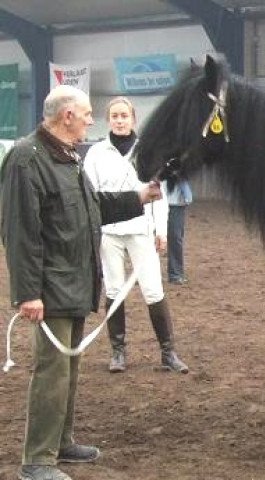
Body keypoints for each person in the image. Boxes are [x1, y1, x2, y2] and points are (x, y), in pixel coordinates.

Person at [0, 85, 163, 480]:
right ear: (66, 115)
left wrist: (141, 196)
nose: (93, 121)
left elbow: (94, 208)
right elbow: (20, 231)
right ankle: (37, 460)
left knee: (68, 367)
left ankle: (62, 441)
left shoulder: (69, 157)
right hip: (50, 288)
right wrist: (28, 293)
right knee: (52, 370)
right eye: (87, 113)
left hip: (74, 282)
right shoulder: (27, 159)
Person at [84, 96, 188, 375]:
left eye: (124, 116)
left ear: (133, 119)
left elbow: (159, 193)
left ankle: (168, 352)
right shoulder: (95, 154)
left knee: (153, 289)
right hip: (110, 232)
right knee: (115, 290)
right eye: (115, 116)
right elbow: (89, 196)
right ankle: (118, 352)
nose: (119, 120)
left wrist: (162, 230)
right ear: (109, 120)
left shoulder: (148, 150)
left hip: (141, 230)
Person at [167, 180, 193, 284]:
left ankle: (175, 274)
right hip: (156, 201)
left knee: (175, 238)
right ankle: (143, 274)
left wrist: (187, 195)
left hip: (175, 203)